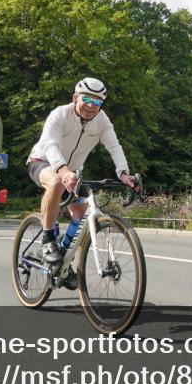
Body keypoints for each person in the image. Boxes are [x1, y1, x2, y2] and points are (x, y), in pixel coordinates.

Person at [26, 78, 137, 280]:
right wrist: (63, 169)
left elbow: (114, 147)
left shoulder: (102, 121)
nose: (90, 105)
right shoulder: (60, 114)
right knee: (57, 182)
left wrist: (123, 172)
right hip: (42, 161)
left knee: (81, 217)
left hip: (73, 172)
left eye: (97, 102)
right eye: (86, 99)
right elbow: (50, 145)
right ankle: (48, 239)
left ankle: (64, 262)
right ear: (75, 97)